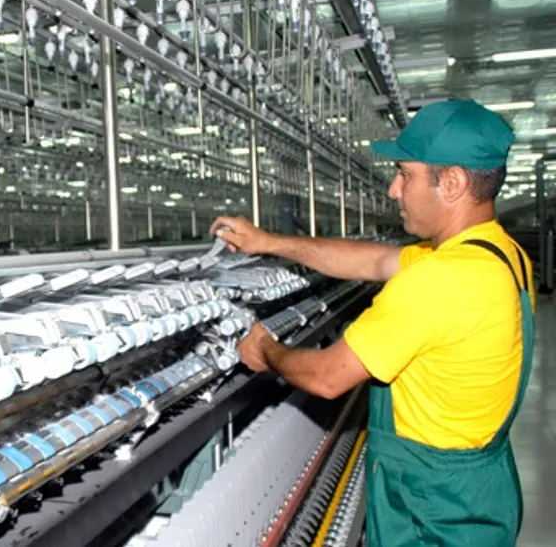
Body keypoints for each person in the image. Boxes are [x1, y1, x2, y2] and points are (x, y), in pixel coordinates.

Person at [211, 99, 535, 547]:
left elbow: (327, 378)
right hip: (479, 489)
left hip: (432, 510)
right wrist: (267, 242)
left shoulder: (439, 281)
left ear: (453, 183)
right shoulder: (498, 253)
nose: (394, 190)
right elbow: (372, 260)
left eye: (405, 174)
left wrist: (264, 349)